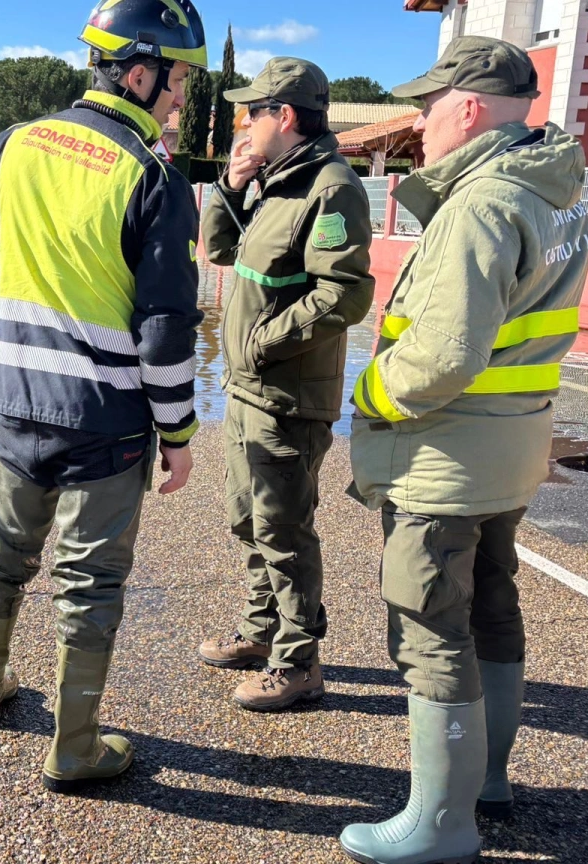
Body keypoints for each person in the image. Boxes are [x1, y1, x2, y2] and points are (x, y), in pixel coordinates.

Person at [0, 0, 207, 792]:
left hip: (15, 402)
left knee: (2, 555)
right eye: (180, 79)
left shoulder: (19, 142)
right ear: (140, 73)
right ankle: (74, 747)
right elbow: (165, 331)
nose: (184, 96)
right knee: (90, 583)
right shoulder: (155, 178)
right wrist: (179, 435)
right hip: (105, 421)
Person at [339, 36, 588, 864]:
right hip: (510, 448)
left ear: (469, 108)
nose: (417, 123)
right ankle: (487, 781)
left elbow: (445, 353)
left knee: (430, 624)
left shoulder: (481, 203)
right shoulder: (556, 194)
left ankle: (441, 825)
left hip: (447, 457)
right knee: (490, 604)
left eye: (427, 106)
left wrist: (370, 396)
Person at [197, 57, 374, 712]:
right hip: (249, 390)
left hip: (287, 398)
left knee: (284, 529)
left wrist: (261, 343)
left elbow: (345, 294)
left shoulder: (331, 188)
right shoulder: (275, 182)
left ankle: (298, 663)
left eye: (254, 112)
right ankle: (260, 630)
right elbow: (220, 252)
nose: (245, 123)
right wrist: (230, 185)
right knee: (248, 519)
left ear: (287, 116)